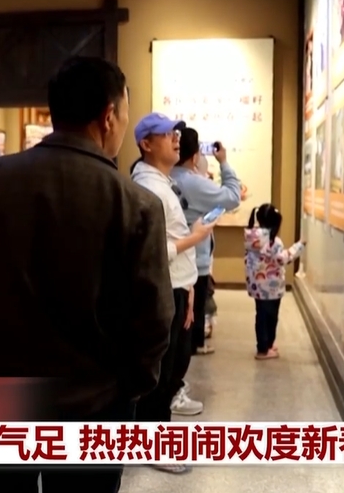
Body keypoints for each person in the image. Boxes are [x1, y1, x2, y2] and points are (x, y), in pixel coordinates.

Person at [0, 56, 173, 493]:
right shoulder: (136, 203)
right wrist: (130, 386)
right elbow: (155, 317)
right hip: (96, 399)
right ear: (108, 116)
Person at [131, 113, 214, 472]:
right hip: (160, 293)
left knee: (171, 370)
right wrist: (194, 238)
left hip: (177, 289)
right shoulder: (148, 188)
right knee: (160, 375)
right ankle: (153, 446)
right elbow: (151, 252)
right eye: (166, 134)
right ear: (146, 144)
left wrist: (189, 287)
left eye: (175, 133)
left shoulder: (162, 183)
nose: (175, 138)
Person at [171, 129, 242, 356]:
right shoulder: (195, 183)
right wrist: (224, 162)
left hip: (169, 256)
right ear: (195, 156)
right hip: (194, 258)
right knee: (194, 308)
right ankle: (195, 345)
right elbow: (233, 197)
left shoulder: (163, 177)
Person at [243, 204, 305, 359]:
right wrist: (298, 247)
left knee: (261, 315)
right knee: (270, 317)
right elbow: (282, 259)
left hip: (257, 286)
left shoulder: (251, 237)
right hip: (271, 287)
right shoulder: (274, 242)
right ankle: (264, 348)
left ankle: (266, 344)